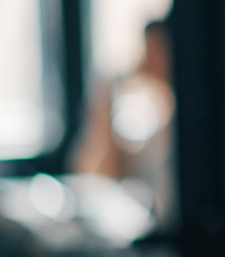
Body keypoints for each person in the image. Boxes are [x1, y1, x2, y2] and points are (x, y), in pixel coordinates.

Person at [71, 18, 177, 226]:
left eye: (160, 50)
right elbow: (93, 175)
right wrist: (104, 106)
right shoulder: (142, 112)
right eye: (150, 50)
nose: (153, 59)